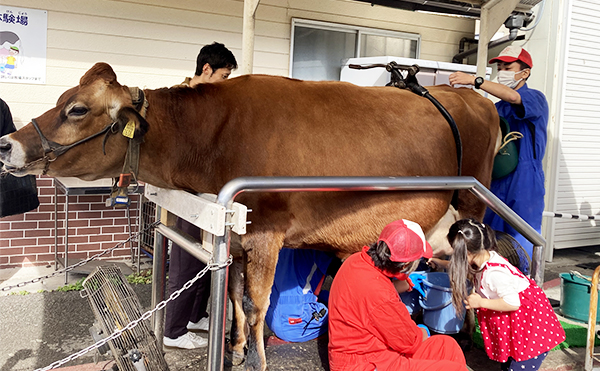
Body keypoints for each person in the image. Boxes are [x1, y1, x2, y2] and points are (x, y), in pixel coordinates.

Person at [163, 42, 237, 350]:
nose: (225, 82)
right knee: (185, 263)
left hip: (209, 192)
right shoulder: (177, 100)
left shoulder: (210, 101)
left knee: (208, 261)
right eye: (223, 75)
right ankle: (173, 331)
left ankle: (195, 316)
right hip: (185, 191)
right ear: (205, 70)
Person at [449, 45, 548, 259]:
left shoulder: (535, 98)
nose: (502, 71)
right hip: (496, 175)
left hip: (525, 177)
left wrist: (475, 80)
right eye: (500, 66)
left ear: (525, 72)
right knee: (491, 234)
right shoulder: (497, 107)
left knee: (522, 233)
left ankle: (523, 284)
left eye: (507, 66)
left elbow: (514, 97)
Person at [328, 219, 468, 371]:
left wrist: (403, 282)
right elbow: (409, 342)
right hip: (365, 364)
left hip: (369, 351)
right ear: (406, 265)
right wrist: (421, 331)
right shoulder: (381, 296)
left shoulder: (355, 260)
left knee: (445, 346)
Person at [446, 218, 565, 371]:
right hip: (517, 325)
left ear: (467, 253)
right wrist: (439, 262)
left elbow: (513, 302)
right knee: (509, 363)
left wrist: (481, 303)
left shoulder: (494, 274)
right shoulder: (484, 257)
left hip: (528, 329)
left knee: (519, 366)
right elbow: (461, 266)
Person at [265, 248, 340, 343]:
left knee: (326, 296)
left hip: (271, 317)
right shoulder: (318, 247)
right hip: (297, 323)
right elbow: (339, 273)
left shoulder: (283, 242)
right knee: (344, 317)